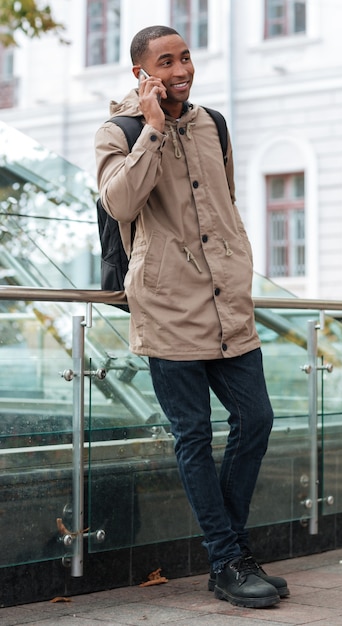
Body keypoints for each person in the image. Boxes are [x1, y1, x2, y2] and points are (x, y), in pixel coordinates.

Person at [95, 24, 289, 609]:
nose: (180, 69)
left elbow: (224, 206)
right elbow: (120, 202)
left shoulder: (214, 124)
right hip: (168, 307)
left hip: (228, 304)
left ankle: (227, 552)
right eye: (166, 61)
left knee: (256, 420)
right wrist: (152, 130)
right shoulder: (118, 131)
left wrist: (239, 264)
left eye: (185, 58)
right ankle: (230, 559)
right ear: (141, 73)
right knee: (194, 435)